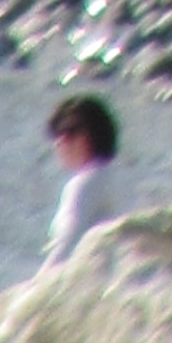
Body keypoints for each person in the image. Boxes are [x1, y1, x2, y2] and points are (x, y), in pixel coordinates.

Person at [43, 95, 119, 267]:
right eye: (57, 133)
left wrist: (33, 289)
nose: (62, 141)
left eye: (71, 131)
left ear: (96, 132)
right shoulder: (117, 176)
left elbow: (66, 247)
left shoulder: (84, 183)